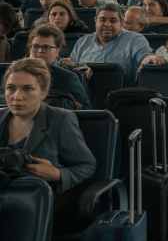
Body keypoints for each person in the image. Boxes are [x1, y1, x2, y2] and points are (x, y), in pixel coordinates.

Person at [0, 58, 96, 194]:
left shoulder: (61, 119)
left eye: (28, 89)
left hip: (37, 201)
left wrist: (58, 174)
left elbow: (87, 166)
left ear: (43, 93)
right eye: (11, 88)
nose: (17, 96)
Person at [69, 3, 162, 84]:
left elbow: (144, 56)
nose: (107, 24)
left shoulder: (135, 39)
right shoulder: (83, 41)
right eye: (102, 20)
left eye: (113, 21)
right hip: (84, 93)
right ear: (95, 21)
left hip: (121, 96)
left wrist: (150, 58)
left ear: (121, 23)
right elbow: (72, 65)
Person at [26, 25, 91, 108]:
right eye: (35, 46)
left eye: (46, 47)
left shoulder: (68, 78)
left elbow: (86, 110)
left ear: (57, 51)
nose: (39, 51)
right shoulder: (17, 73)